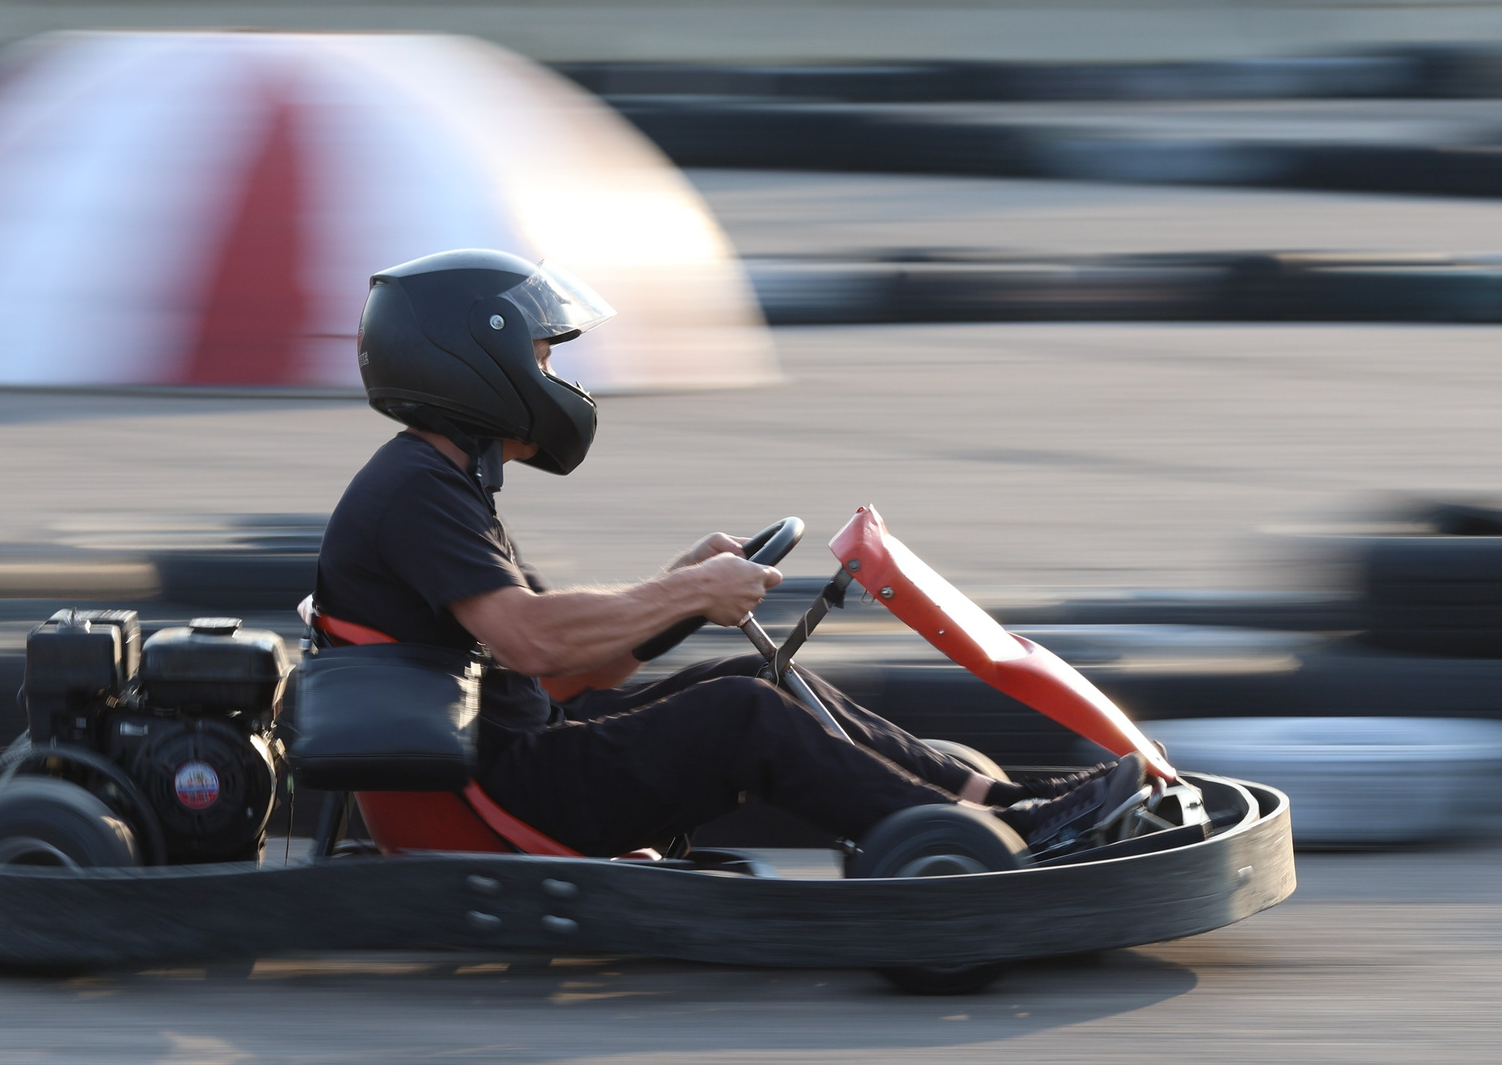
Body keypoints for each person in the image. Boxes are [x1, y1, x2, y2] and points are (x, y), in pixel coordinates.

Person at [314, 248, 1139, 860]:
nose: (551, 373)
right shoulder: (417, 489)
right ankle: (984, 840)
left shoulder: (441, 482)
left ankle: (1002, 806)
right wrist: (691, 593)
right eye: (540, 354)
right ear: (473, 361)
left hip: (508, 756)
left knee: (751, 678)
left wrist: (677, 588)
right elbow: (532, 640)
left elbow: (557, 675)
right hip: (500, 795)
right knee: (739, 717)